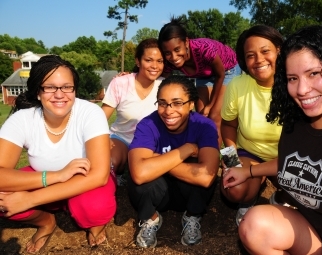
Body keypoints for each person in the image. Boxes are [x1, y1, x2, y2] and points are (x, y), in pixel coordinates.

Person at [224, 25, 322, 254]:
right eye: (292, 78)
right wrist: (240, 168)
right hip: (311, 226)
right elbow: (292, 162)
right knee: (253, 223)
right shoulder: (294, 120)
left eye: (314, 73)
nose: (302, 89)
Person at [0, 55, 116, 254]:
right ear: (38, 91)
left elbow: (99, 175)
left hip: (84, 182)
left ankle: (94, 224)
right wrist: (57, 175)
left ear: (74, 89)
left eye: (66, 87)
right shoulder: (22, 119)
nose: (59, 94)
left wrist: (30, 199)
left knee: (95, 207)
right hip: (45, 179)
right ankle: (45, 221)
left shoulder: (90, 113)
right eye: (50, 87)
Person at [127, 75, 219, 248]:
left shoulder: (204, 125)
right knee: (141, 182)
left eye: (177, 103)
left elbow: (206, 176)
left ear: (191, 104)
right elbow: (139, 173)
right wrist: (187, 150)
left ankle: (192, 216)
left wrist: (156, 160)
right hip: (159, 192)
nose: (168, 111)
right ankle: (151, 218)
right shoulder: (148, 125)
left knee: (201, 180)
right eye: (162, 103)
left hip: (188, 192)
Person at [219, 25, 284, 226]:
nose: (259, 60)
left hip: (286, 157)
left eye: (265, 51)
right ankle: (249, 196)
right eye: (250, 55)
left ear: (279, 51)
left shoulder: (294, 82)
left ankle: (281, 197)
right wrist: (230, 160)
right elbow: (227, 125)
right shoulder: (238, 84)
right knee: (233, 187)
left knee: (311, 192)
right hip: (250, 153)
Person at [158, 16, 241, 147]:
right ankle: (205, 149)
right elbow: (157, 77)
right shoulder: (170, 61)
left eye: (177, 50)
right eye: (167, 53)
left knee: (214, 115)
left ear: (186, 42)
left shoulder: (203, 49)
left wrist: (210, 105)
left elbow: (220, 74)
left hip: (227, 70)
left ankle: (220, 156)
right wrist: (132, 75)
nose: (173, 57)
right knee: (202, 117)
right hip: (204, 75)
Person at [101, 38, 164, 186]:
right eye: (149, 60)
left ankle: (132, 170)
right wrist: (103, 141)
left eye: (160, 61)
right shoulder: (120, 82)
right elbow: (101, 117)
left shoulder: (165, 85)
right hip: (121, 138)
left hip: (150, 143)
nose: (155, 66)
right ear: (138, 61)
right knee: (111, 162)